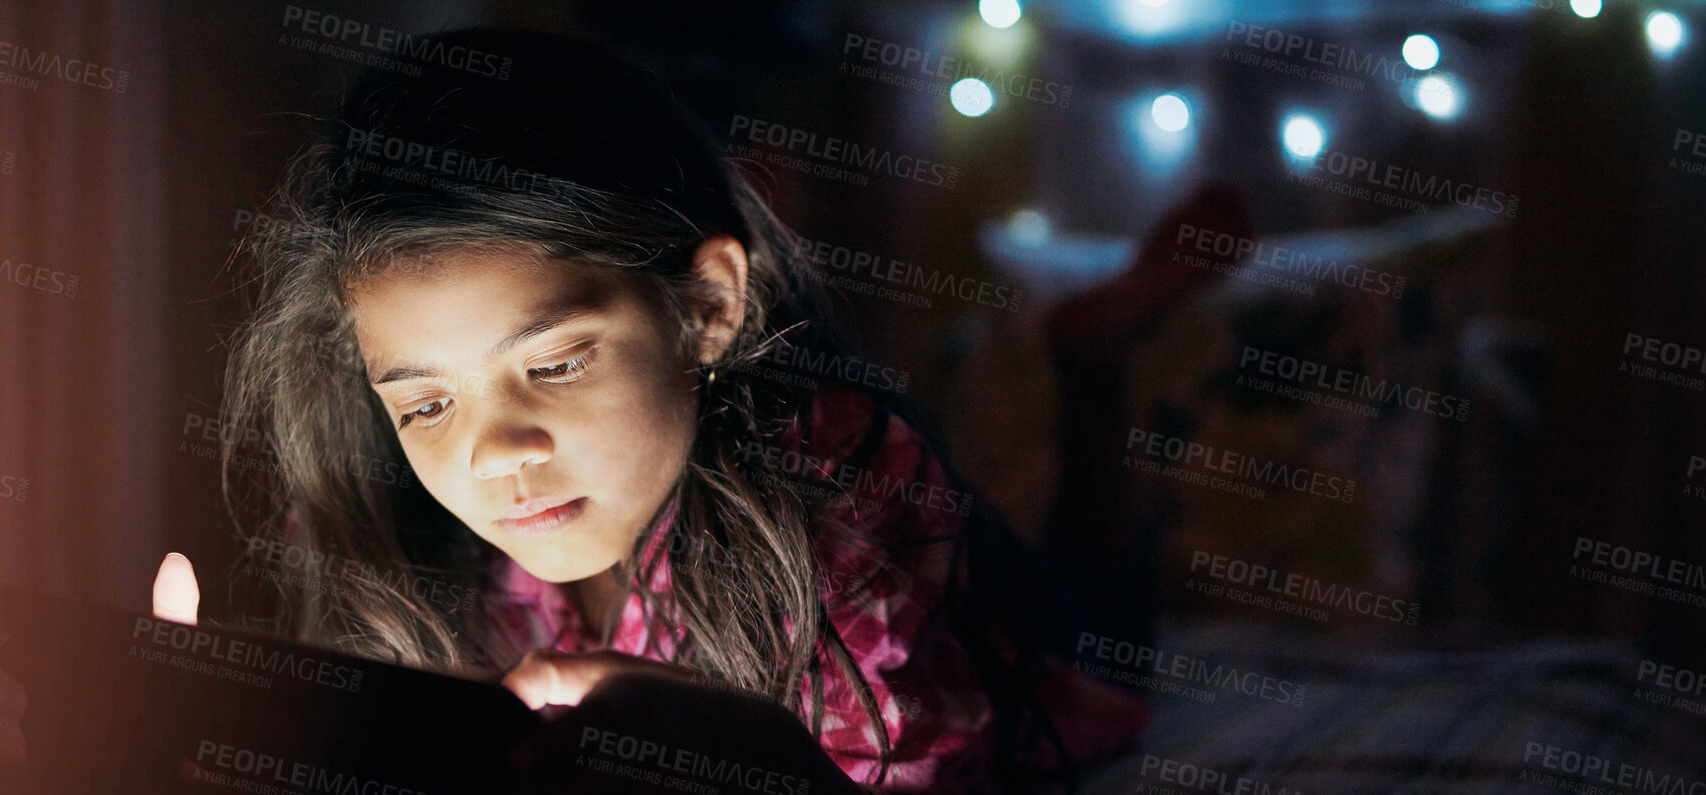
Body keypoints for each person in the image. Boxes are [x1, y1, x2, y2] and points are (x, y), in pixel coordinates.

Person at [153, 27, 1143, 793]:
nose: (494, 451)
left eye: (557, 363)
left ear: (706, 307)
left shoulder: (835, 500)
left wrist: (762, 759)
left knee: (1085, 576)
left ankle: (1084, 355)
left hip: (1045, 650)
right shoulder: (392, 528)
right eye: (426, 406)